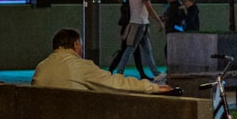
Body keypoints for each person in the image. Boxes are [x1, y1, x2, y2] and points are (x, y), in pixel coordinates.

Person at [34, 28, 174, 94]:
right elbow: (114, 84)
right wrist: (152, 87)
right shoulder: (80, 66)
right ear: (76, 44)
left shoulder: (41, 67)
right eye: (80, 45)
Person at [114, 0, 164, 80]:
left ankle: (156, 73)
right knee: (133, 49)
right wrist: (159, 22)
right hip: (141, 23)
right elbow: (149, 9)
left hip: (136, 22)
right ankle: (119, 72)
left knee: (144, 49)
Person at [107, 0, 149, 80]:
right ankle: (114, 70)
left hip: (129, 28)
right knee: (130, 51)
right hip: (130, 28)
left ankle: (112, 70)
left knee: (129, 51)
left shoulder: (127, 4)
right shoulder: (130, 4)